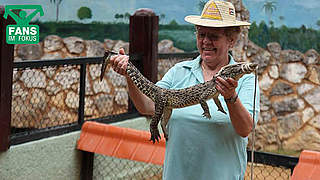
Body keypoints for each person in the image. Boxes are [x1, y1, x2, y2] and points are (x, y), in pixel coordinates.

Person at [109, 0, 260, 179]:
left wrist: (230, 97)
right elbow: (147, 106)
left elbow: (245, 129)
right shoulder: (179, 72)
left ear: (231, 41)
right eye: (201, 34)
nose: (206, 41)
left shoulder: (245, 79)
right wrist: (129, 75)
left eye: (214, 36)